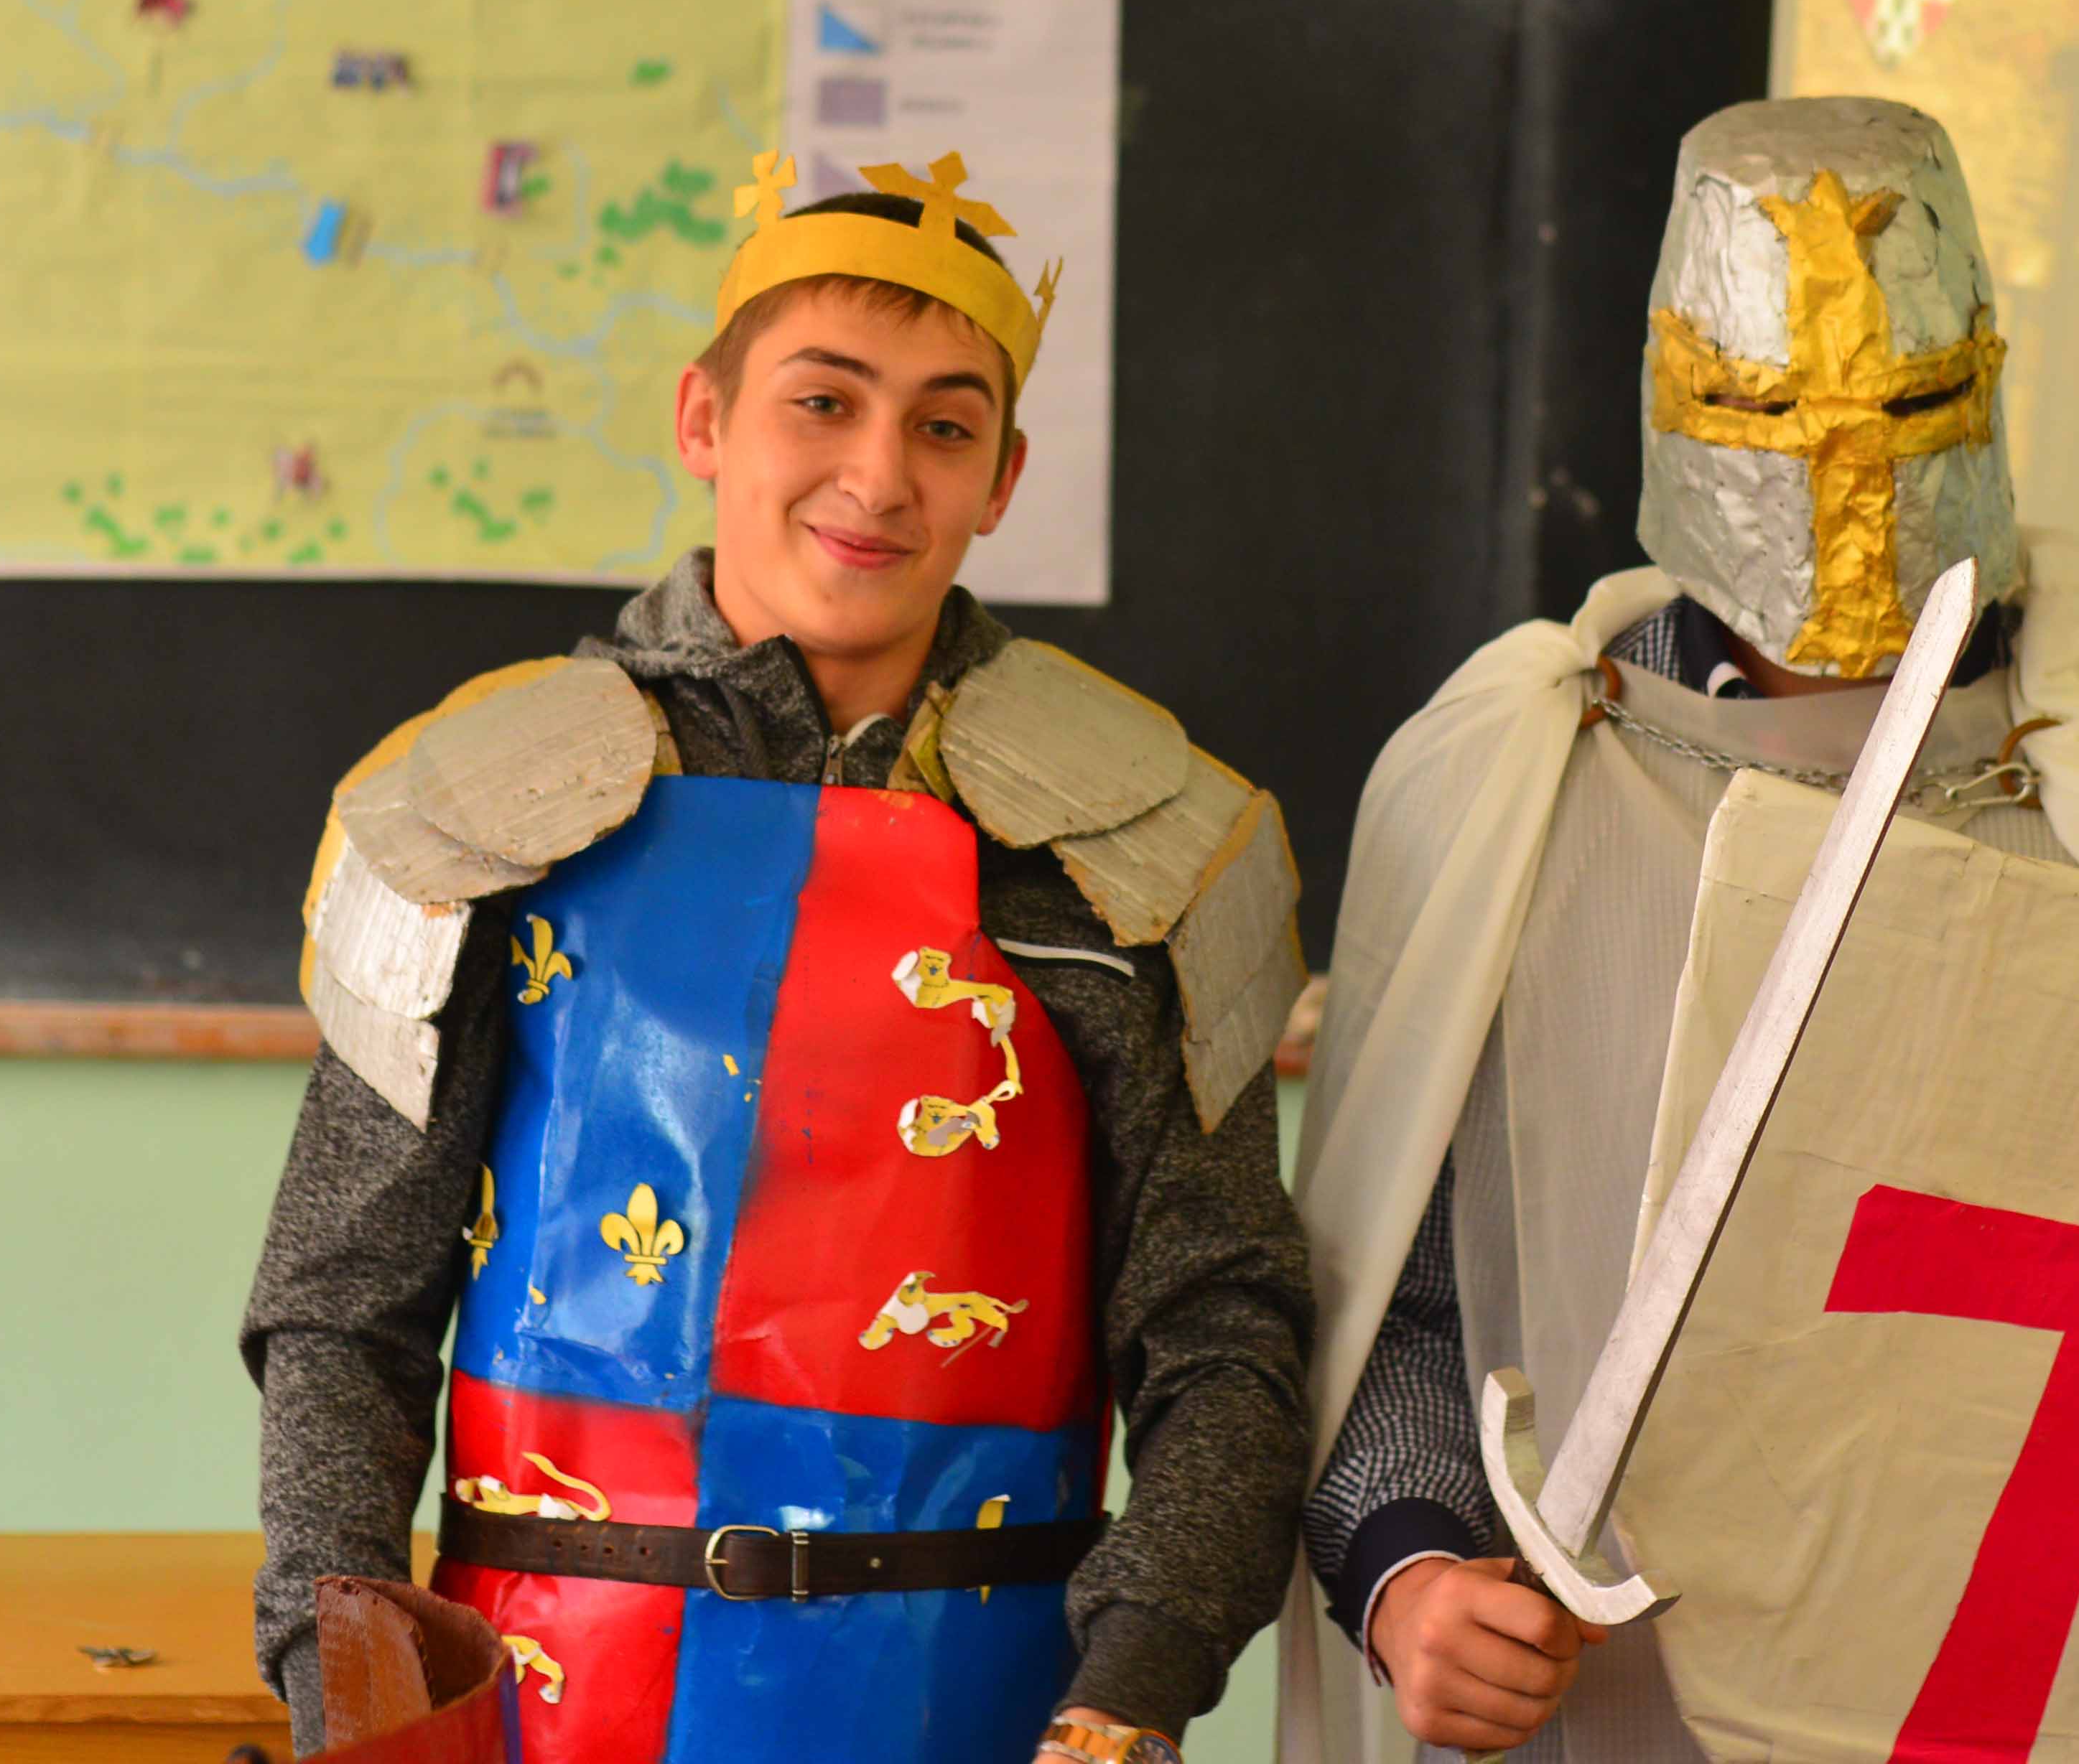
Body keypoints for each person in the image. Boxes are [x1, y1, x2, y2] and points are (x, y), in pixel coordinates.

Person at [1281, 97, 2079, 1764]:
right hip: (1621, 1706)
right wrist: (1409, 1571)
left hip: (2056, 1700)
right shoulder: (1514, 784)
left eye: (1903, 405)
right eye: (1769, 407)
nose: (1843, 480)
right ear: (1672, 395)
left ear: (1982, 378)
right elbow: (1400, 1309)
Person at [246, 152, 1313, 1764]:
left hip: (987, 1709)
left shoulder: (1137, 847)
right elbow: (344, 1313)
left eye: (943, 427)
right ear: (704, 420)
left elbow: (1221, 1332)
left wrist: (1131, 1696)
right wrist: (360, 1700)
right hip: (545, 1708)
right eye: (823, 403)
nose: (877, 476)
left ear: (1001, 478)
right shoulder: (482, 814)